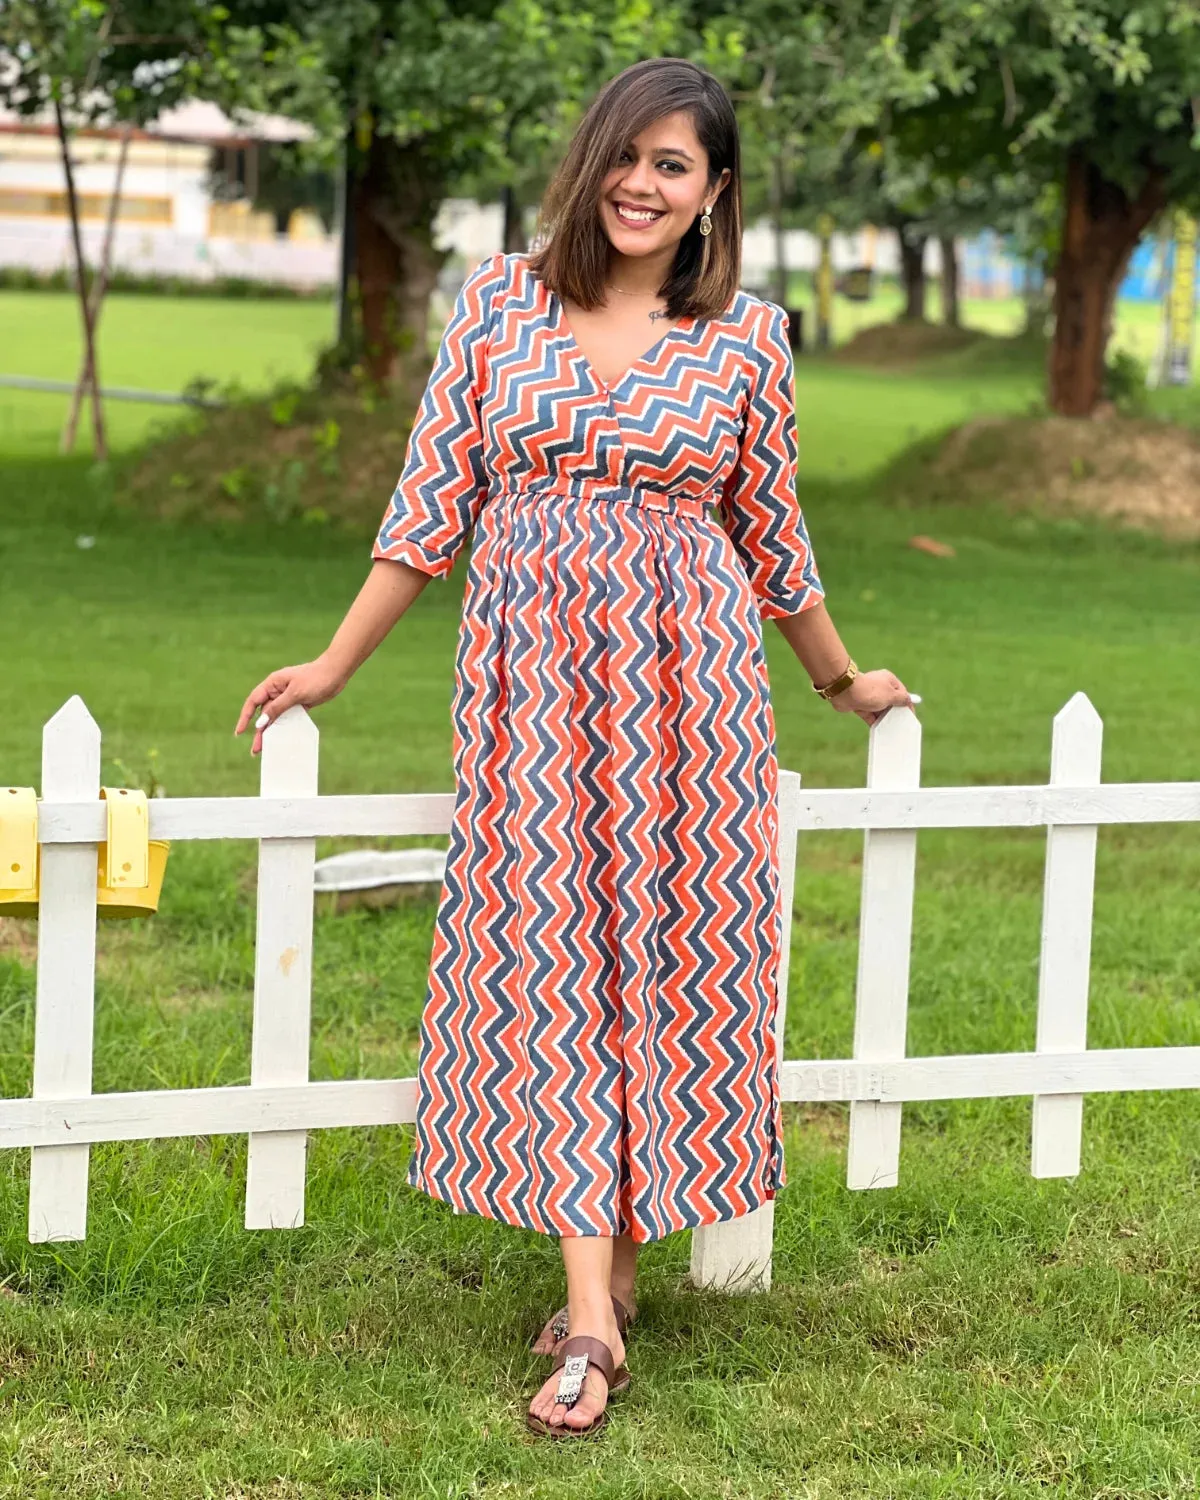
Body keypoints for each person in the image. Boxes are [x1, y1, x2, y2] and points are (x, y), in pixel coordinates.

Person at [235, 55, 913, 1440]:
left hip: (690, 686)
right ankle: (595, 1312)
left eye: (676, 165)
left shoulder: (749, 341)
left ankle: (602, 1288)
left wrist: (840, 679)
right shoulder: (498, 308)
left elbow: (773, 539)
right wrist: (334, 663)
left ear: (715, 192)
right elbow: (429, 510)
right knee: (550, 962)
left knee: (667, 957)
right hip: (531, 685)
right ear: (590, 160)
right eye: (627, 154)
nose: (643, 184)